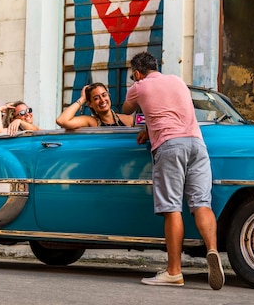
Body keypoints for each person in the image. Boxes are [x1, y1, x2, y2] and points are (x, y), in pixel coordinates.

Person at [123, 52, 224, 290]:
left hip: (170, 146)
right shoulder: (177, 81)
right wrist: (149, 129)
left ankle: (174, 272)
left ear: (137, 73)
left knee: (172, 208)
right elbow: (170, 109)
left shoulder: (139, 86)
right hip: (197, 144)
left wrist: (135, 93)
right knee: (201, 204)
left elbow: (127, 110)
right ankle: (212, 249)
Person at [56, 82, 134, 129]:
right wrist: (82, 99)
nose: (102, 100)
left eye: (104, 95)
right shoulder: (91, 122)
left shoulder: (129, 119)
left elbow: (145, 123)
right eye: (96, 98)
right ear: (90, 104)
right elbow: (62, 120)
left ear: (109, 96)